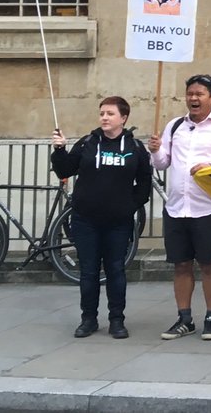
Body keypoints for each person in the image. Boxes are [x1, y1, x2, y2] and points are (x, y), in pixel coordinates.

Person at [149, 74, 211, 341]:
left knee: (209, 264)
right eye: (190, 93)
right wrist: (155, 150)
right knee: (180, 264)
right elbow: (161, 164)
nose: (193, 98)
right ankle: (184, 318)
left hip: (208, 208)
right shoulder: (175, 126)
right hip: (177, 208)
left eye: (200, 94)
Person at [51, 97, 151, 340]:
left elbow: (144, 184)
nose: (104, 118)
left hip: (118, 222)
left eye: (110, 113)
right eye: (102, 113)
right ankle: (88, 319)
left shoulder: (135, 147)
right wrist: (59, 150)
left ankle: (117, 319)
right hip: (86, 220)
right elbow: (65, 170)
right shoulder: (87, 143)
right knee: (89, 271)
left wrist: (129, 206)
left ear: (123, 118)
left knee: (116, 269)